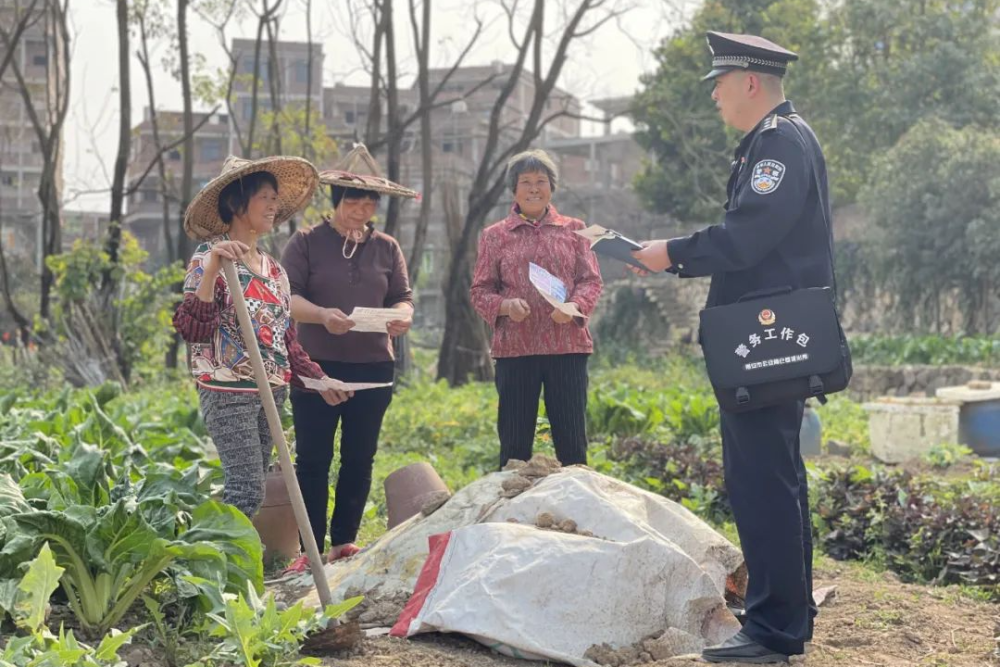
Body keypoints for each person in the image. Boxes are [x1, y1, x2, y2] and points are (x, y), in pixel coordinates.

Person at [630, 32, 832, 664]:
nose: (715, 94)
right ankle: (782, 615)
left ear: (750, 81)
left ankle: (773, 632)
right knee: (774, 474)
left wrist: (674, 252)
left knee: (763, 478)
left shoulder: (778, 145)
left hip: (766, 337)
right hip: (766, 336)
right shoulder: (772, 143)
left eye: (720, 82)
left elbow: (747, 238)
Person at [172, 155, 350, 520]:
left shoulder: (275, 271)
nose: (273, 206)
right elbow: (193, 330)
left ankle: (224, 564)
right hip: (228, 389)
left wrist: (319, 379)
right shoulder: (208, 258)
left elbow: (285, 343)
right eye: (264, 198)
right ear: (237, 204)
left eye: (275, 199)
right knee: (246, 489)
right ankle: (200, 563)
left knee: (251, 489)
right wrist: (212, 272)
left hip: (271, 392)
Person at [280, 144, 417, 572]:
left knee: (360, 455)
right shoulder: (305, 242)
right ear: (336, 202)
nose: (362, 209)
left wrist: (400, 318)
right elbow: (287, 297)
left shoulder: (387, 247)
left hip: (373, 366)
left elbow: (403, 298)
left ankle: (344, 541)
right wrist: (321, 315)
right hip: (316, 366)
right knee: (314, 458)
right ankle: (308, 548)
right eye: (354, 201)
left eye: (369, 202)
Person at [471, 149, 603, 470]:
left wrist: (573, 306)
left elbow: (591, 281)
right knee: (515, 447)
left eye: (541, 181)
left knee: (572, 444)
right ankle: (512, 513)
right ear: (513, 190)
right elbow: (480, 290)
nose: (534, 188)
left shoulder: (575, 229)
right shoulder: (494, 236)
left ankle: (574, 508)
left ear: (551, 187)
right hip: (516, 349)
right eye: (525, 182)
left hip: (567, 347)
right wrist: (504, 305)